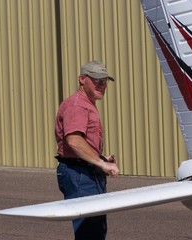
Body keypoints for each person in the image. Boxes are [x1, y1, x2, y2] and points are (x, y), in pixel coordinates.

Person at [54, 61, 120, 240]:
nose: (102, 85)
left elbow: (79, 143)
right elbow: (74, 140)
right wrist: (100, 163)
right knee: (89, 233)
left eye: (104, 81)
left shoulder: (86, 103)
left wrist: (100, 158)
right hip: (79, 174)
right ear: (82, 80)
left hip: (85, 171)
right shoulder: (78, 105)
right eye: (96, 80)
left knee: (95, 231)